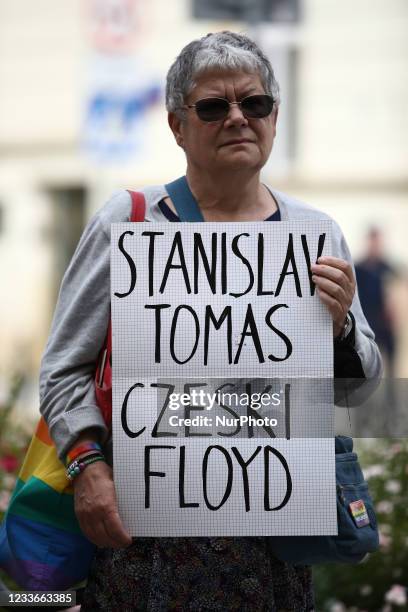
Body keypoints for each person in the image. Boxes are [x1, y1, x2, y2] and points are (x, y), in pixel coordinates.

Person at [39, 31, 382, 611]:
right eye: (213, 106)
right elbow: (63, 369)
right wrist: (88, 466)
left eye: (254, 103)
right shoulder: (130, 222)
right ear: (178, 125)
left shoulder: (315, 231)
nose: (238, 119)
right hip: (147, 542)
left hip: (274, 543)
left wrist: (342, 326)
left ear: (276, 116)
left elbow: (361, 387)